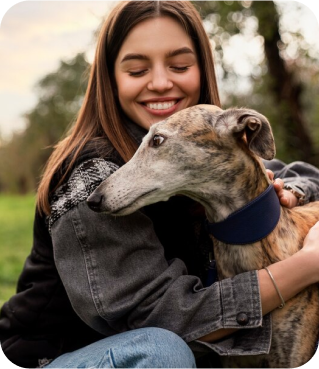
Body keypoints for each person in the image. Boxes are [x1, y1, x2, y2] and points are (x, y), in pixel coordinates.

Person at [1, 0, 319, 368]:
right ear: (111, 78)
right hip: (57, 358)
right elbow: (165, 319)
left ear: (202, 70)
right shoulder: (91, 175)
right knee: (160, 350)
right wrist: (309, 266)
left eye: (180, 66)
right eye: (136, 70)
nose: (160, 83)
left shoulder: (203, 143)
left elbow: (303, 173)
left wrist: (291, 191)